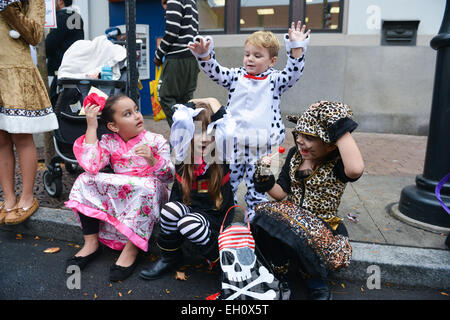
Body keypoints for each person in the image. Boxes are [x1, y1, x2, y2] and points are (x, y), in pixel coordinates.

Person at [188, 21, 311, 222]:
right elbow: (215, 72)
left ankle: (256, 219)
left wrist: (297, 48)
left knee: (260, 185)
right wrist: (205, 56)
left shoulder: (275, 80)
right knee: (229, 181)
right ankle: (227, 213)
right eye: (247, 54)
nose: (250, 59)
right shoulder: (236, 76)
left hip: (264, 147)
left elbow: (293, 73)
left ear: (272, 61)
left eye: (257, 55)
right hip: (234, 143)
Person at [252, 100, 365, 300]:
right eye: (299, 134)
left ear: (330, 145)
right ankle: (280, 273)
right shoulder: (295, 155)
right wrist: (264, 175)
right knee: (263, 216)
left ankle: (315, 280)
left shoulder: (337, 163)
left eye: (310, 137)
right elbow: (281, 193)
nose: (301, 141)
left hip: (323, 227)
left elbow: (355, 169)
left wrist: (338, 126)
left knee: (282, 220)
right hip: (292, 223)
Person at [64, 94, 175, 282]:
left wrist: (153, 160)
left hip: (150, 194)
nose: (137, 116)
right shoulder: (109, 141)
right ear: (113, 126)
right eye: (128, 114)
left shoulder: (156, 140)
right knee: (85, 179)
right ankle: (91, 243)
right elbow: (92, 165)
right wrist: (91, 126)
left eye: (136, 110)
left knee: (148, 186)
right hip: (123, 193)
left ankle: (132, 248)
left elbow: (170, 176)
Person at [139, 97, 235, 280]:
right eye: (198, 131)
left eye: (211, 131)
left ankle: (223, 263)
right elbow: (181, 119)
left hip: (213, 213)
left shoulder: (222, 152)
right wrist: (189, 104)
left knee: (189, 223)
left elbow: (229, 128)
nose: (205, 138)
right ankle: (170, 258)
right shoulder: (182, 151)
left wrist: (211, 100)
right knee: (169, 211)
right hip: (188, 205)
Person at [0, 0, 59, 225]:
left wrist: (8, 9)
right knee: (1, 138)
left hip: (16, 72)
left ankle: (26, 197)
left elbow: (35, 35)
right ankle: (8, 198)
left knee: (21, 136)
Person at [155, 0, 200, 128]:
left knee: (165, 96)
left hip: (177, 57)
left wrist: (159, 55)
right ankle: (187, 137)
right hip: (191, 57)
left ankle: (181, 132)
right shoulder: (192, 2)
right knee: (185, 100)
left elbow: (172, 31)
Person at [45, 0, 84, 105]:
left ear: (61, 2)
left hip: (60, 68)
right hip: (73, 67)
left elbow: (48, 46)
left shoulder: (61, 17)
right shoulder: (75, 15)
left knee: (55, 102)